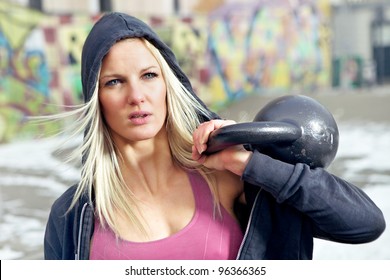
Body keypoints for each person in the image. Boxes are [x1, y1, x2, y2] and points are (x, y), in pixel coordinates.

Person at [44, 12, 385, 260]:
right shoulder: (72, 217)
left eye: (149, 75)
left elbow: (364, 224)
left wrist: (249, 162)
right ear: (96, 97)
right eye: (114, 82)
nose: (137, 96)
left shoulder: (226, 178)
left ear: (169, 85)